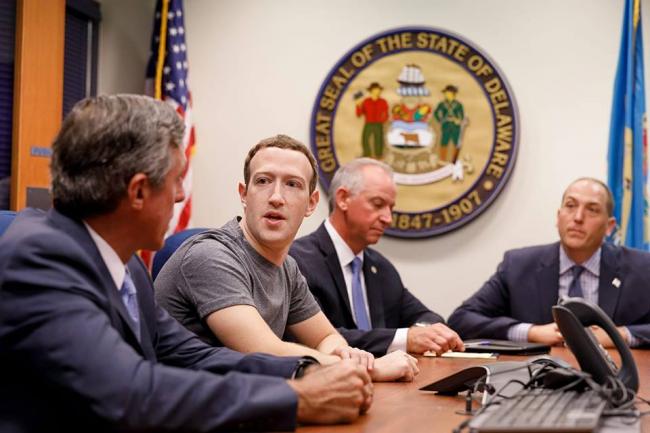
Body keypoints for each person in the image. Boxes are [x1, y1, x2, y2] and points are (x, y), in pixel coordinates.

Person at [0, 95, 373, 432]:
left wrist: (306, 370)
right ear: (139, 191)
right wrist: (297, 399)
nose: (181, 197)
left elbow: (193, 355)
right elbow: (130, 392)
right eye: (177, 180)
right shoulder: (40, 260)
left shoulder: (126, 264)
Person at [155, 135, 418, 382]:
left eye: (292, 184)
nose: (276, 197)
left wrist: (345, 353)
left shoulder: (287, 267)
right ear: (244, 194)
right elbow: (263, 351)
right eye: (263, 181)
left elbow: (325, 337)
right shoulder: (210, 255)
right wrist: (365, 368)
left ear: (311, 203)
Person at [290, 158, 464, 356]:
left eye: (391, 208)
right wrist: (405, 339)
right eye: (378, 204)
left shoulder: (381, 268)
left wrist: (423, 333)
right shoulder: (298, 262)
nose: (388, 219)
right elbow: (317, 339)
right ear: (343, 198)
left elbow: (428, 317)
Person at [448, 177, 650, 348]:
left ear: (609, 226)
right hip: (540, 376)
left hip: (615, 376)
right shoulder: (518, 265)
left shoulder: (642, 267)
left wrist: (619, 335)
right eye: (570, 206)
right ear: (558, 217)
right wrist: (531, 332)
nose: (578, 217)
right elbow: (461, 320)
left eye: (592, 210)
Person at [356, 82, 389, 158]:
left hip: (378, 124)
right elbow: (359, 114)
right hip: (368, 123)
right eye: (376, 89)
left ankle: (378, 155)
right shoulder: (366, 101)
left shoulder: (383, 101)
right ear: (372, 90)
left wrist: (383, 120)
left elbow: (386, 113)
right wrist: (358, 106)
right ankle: (367, 154)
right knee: (365, 138)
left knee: (379, 139)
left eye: (379, 90)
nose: (379, 91)